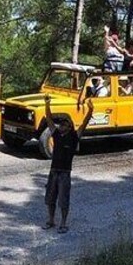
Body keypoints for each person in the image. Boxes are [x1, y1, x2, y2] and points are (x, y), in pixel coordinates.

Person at [42, 94, 94, 234]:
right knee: (50, 198)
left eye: (64, 124)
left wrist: (90, 110)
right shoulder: (56, 135)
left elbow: (84, 123)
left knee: (63, 200)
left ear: (70, 126)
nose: (60, 125)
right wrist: (47, 104)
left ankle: (63, 223)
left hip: (65, 173)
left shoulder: (74, 137)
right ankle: (51, 220)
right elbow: (49, 119)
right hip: (53, 171)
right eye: (60, 124)